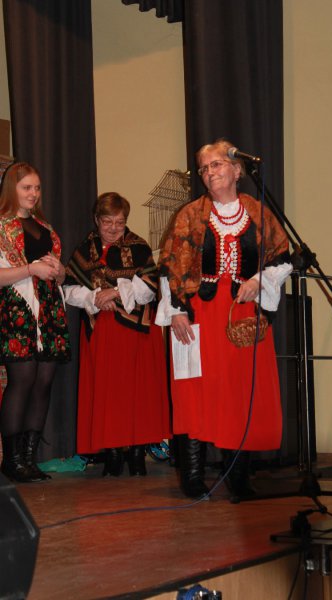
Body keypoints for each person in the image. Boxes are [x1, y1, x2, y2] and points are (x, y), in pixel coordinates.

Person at [156, 139, 292, 500]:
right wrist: (176, 312)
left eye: (216, 164)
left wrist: (258, 280)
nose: (209, 173)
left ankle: (238, 476)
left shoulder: (258, 213)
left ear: (237, 169)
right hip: (198, 315)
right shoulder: (190, 215)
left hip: (241, 315)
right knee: (194, 391)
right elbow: (170, 265)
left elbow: (283, 258)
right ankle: (193, 476)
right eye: (204, 168)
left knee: (239, 391)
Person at [64, 192, 170, 477]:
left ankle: (137, 453)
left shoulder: (138, 247)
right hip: (102, 330)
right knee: (109, 395)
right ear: (96, 219)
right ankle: (112, 452)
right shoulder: (84, 250)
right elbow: (69, 290)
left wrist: (115, 293)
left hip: (138, 332)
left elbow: (150, 287)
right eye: (107, 221)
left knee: (139, 393)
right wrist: (95, 297)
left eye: (119, 222)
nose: (113, 228)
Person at [0, 162, 70, 483]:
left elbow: (59, 274)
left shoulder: (45, 227)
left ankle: (29, 460)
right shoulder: (2, 227)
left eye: (37, 188)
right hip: (17, 309)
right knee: (23, 380)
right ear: (11, 188)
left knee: (43, 382)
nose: (33, 193)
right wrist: (31, 269)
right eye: (26, 187)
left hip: (49, 309)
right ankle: (12, 461)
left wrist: (60, 271)